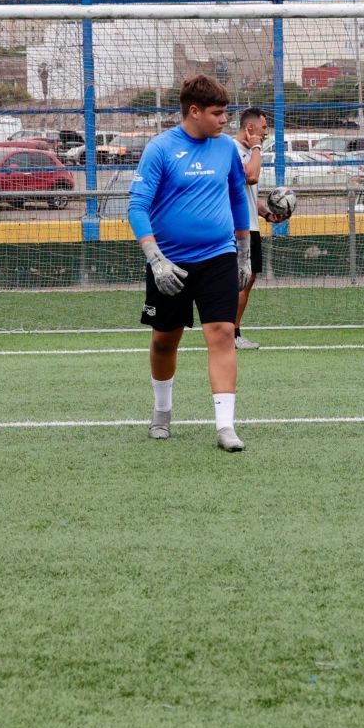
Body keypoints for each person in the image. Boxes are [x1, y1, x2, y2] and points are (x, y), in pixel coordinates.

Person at [127, 75, 253, 451]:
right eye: (218, 113)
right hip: (170, 263)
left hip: (218, 256)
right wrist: (156, 260)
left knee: (222, 334)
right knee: (165, 340)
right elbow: (137, 207)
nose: (224, 120)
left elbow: (237, 197)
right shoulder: (161, 148)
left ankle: (225, 427)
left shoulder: (227, 149)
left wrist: (244, 252)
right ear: (194, 111)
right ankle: (162, 414)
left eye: (226, 113)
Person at [230, 107, 269, 351]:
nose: (266, 133)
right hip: (236, 228)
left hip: (251, 225)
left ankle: (233, 332)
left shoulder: (247, 152)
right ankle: (231, 334)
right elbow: (251, 177)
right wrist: (256, 147)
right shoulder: (234, 150)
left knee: (248, 280)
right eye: (264, 128)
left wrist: (265, 212)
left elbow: (248, 192)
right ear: (250, 128)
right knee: (239, 282)